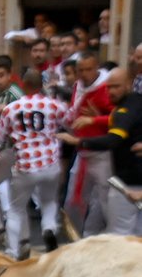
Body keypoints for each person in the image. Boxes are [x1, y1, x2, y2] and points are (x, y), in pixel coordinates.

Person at [58, 68, 142, 235]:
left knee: (119, 233)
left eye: (116, 86)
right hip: (129, 180)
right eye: (108, 87)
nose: (111, 91)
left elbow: (113, 139)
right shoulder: (133, 104)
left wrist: (78, 141)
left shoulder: (126, 110)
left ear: (128, 85)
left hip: (128, 182)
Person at [0, 70, 68, 258]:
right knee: (49, 201)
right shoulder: (54, 105)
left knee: (16, 209)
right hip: (50, 164)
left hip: (25, 165)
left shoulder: (12, 108)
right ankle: (48, 228)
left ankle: (12, 251)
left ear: (24, 85)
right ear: (41, 85)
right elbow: (69, 122)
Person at [62, 52, 114, 235]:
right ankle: (76, 238)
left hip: (103, 154)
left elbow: (121, 120)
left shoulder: (109, 87)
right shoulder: (78, 86)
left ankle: (97, 237)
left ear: (97, 67)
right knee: (72, 201)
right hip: (82, 152)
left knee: (104, 203)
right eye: (80, 70)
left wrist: (96, 119)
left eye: (88, 69)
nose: (84, 74)